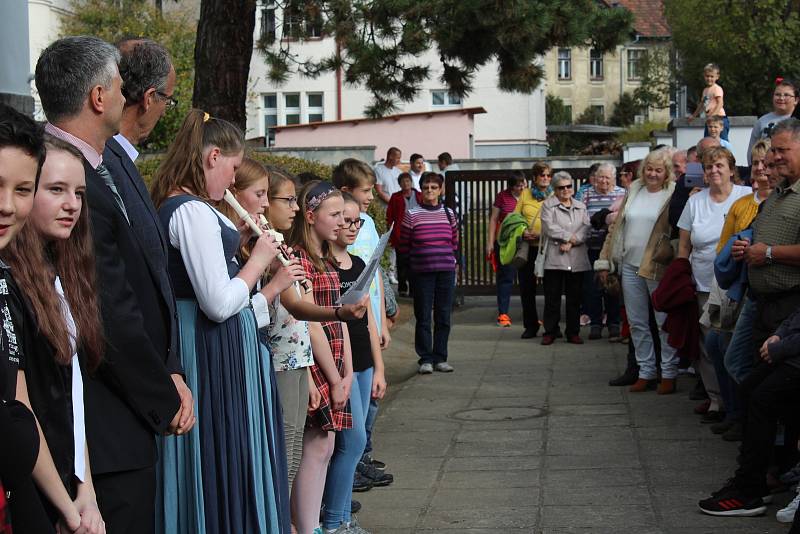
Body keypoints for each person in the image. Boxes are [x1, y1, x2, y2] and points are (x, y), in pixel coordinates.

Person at [34, 36, 183, 533]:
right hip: (105, 424)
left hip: (124, 416)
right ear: (99, 97)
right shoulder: (65, 177)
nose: (128, 98)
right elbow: (108, 308)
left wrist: (172, 370)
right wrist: (162, 394)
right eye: (120, 86)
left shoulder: (107, 164)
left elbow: (149, 274)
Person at [150, 110, 295, 533]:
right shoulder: (191, 211)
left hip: (209, 342)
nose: (232, 182)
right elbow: (216, 302)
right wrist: (260, 263)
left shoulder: (190, 208)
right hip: (206, 345)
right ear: (213, 157)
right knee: (217, 452)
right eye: (233, 169)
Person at [7, 136, 106, 534]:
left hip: (67, 481)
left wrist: (86, 490)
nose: (72, 205)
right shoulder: (10, 281)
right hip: (30, 485)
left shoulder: (60, 276)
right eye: (56, 190)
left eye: (79, 193)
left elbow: (72, 396)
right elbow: (23, 404)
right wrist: (66, 505)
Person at [283, 181, 360, 534]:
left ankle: (309, 523)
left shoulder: (326, 258)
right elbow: (310, 323)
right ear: (310, 217)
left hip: (335, 364)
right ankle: (307, 525)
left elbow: (338, 318)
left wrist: (347, 371)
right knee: (313, 449)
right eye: (335, 216)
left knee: (326, 447)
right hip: (315, 364)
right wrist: (331, 377)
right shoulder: (298, 257)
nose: (342, 223)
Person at [0, 103, 52, 534]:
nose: (7, 206)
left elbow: (17, 399)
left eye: (22, 189)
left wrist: (71, 510)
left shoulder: (7, 280)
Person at [324, 193, 388, 533]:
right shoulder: (324, 267)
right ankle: (335, 519)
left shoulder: (358, 265)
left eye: (356, 222)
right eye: (344, 220)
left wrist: (379, 367)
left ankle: (340, 514)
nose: (350, 227)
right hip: (340, 364)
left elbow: (369, 322)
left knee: (356, 440)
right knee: (350, 442)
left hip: (363, 361)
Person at [331, 159, 393, 487]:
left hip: (369, 320)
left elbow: (374, 274)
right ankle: (353, 464)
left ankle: (362, 457)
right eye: (366, 191)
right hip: (348, 330)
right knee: (352, 416)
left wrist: (382, 320)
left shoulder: (367, 222)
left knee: (372, 399)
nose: (371, 196)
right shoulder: (339, 235)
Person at [595, 149, 678, 394]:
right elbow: (618, 226)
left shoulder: (672, 193)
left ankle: (669, 372)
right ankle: (645, 371)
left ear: (666, 173)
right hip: (629, 264)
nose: (653, 174)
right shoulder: (634, 190)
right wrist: (605, 259)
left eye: (658, 170)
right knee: (637, 323)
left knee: (663, 321)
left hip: (657, 265)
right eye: (649, 169)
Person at [677, 146, 751, 418]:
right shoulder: (695, 202)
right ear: (704, 174)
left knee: (733, 344)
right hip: (705, 284)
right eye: (709, 167)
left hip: (736, 285)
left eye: (719, 165)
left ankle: (738, 403)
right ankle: (717, 400)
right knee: (709, 346)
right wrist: (683, 278)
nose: (714, 170)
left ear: (731, 169)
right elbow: (684, 246)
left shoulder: (747, 197)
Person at [399, 172, 458, 374]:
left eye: (434, 187)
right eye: (426, 187)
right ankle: (425, 358)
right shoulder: (412, 214)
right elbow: (404, 244)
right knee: (423, 316)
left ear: (440, 190)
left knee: (443, 316)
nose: (430, 191)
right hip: (422, 273)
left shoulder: (449, 213)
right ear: (421, 190)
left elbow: (455, 242)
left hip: (446, 272)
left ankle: (441, 357)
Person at [539, 172, 590, 345]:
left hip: (576, 259)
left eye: (569, 186)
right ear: (555, 189)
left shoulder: (581, 206)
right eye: (561, 187)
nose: (566, 190)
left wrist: (572, 242)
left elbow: (585, 228)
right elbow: (549, 228)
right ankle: (550, 331)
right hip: (555, 258)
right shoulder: (548, 205)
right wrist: (570, 237)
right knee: (552, 298)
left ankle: (573, 332)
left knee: (574, 298)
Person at [581, 163, 626, 340]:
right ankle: (595, 324)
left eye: (608, 177)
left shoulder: (622, 194)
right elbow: (582, 220)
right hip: (592, 247)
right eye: (601, 177)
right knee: (593, 288)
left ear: (614, 179)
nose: (604, 181)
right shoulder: (586, 193)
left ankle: (614, 323)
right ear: (595, 178)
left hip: (613, 248)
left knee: (612, 286)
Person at [512, 163, 552, 338]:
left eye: (548, 175)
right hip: (528, 249)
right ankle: (531, 325)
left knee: (552, 289)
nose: (545, 178)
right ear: (534, 178)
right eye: (542, 175)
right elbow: (515, 218)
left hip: (549, 248)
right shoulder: (525, 194)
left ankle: (552, 326)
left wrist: (542, 234)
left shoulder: (554, 194)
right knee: (527, 289)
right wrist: (523, 231)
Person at [486, 171, 526, 327]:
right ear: (510, 186)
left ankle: (530, 314)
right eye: (517, 185)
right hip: (505, 242)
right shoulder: (502, 196)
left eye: (523, 183)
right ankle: (503, 313)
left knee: (527, 279)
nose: (521, 187)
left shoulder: (528, 196)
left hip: (525, 241)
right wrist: (490, 242)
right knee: (505, 277)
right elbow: (494, 219)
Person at [747, 79, 798, 164]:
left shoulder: (797, 121)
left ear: (796, 100)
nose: (781, 98)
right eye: (777, 94)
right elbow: (752, 151)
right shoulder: (762, 121)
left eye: (786, 95)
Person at [386, 172, 421, 297]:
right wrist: (391, 232)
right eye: (403, 181)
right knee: (401, 262)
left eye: (408, 181)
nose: (406, 184)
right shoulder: (395, 197)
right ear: (399, 184)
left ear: (411, 182)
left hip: (417, 234)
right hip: (401, 234)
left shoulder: (419, 195)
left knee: (415, 263)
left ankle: (413, 289)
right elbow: (390, 216)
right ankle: (402, 288)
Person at [689, 63, 728, 140]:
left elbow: (720, 103)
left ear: (717, 77)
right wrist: (693, 115)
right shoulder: (705, 90)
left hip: (719, 118)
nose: (709, 78)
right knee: (708, 140)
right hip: (710, 119)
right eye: (707, 76)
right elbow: (701, 104)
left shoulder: (717, 88)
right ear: (704, 76)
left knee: (722, 140)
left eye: (712, 76)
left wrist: (713, 115)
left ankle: (726, 152)